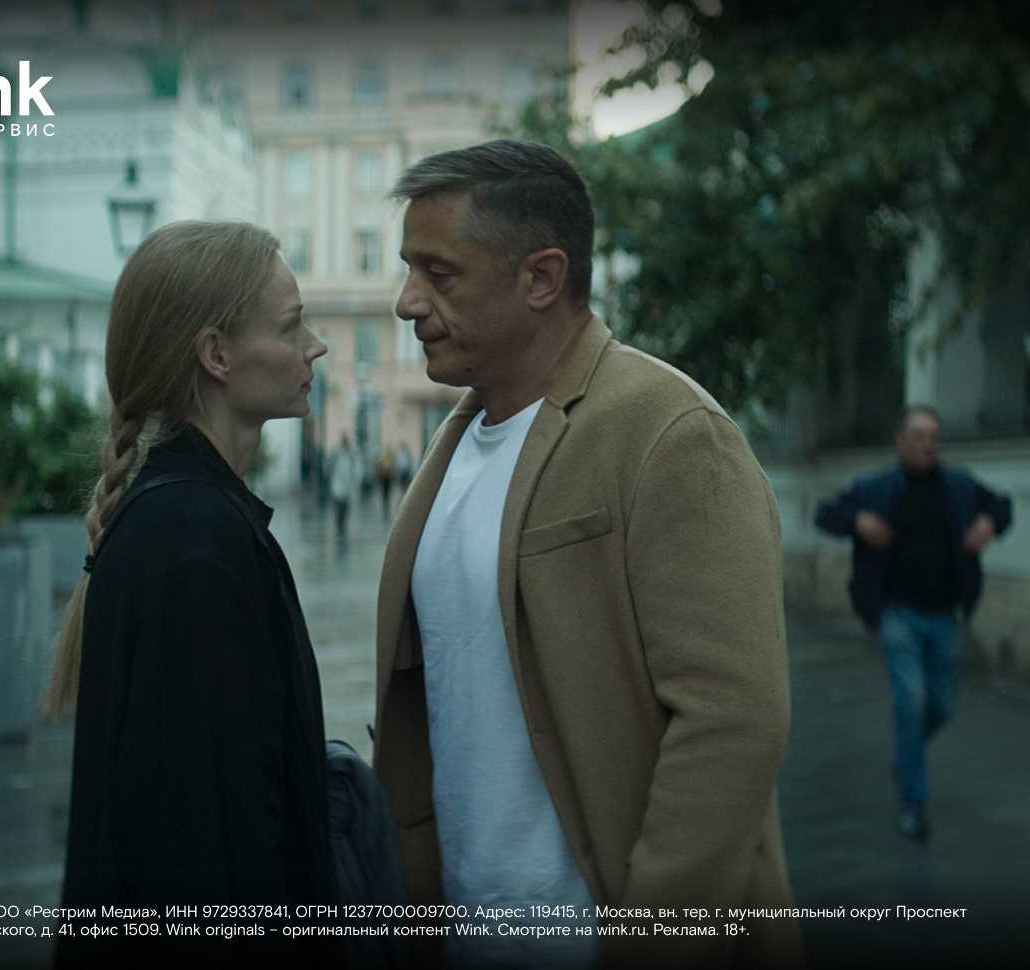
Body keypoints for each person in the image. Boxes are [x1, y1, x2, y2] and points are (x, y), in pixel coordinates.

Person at [372, 139, 801, 968]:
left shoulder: (671, 432)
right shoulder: (453, 444)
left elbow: (732, 720)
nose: (406, 302)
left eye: (439, 274)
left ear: (541, 278)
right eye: (408, 270)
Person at [45, 222, 334, 965]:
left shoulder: (186, 519)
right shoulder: (194, 543)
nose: (316, 347)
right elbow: (197, 854)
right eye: (291, 327)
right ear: (216, 354)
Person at [814, 405, 1013, 843]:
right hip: (897, 613)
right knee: (912, 700)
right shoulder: (876, 487)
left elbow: (1002, 506)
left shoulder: (958, 486)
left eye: (934, 436)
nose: (928, 444)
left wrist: (988, 523)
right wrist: (858, 520)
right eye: (919, 435)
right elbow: (825, 514)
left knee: (942, 705)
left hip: (945, 615)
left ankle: (907, 757)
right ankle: (913, 804)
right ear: (900, 441)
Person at [328, 434, 358, 541]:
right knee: (339, 510)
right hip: (338, 487)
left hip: (346, 488)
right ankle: (339, 530)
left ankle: (342, 529)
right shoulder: (337, 455)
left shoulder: (350, 456)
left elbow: (354, 472)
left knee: (344, 510)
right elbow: (332, 470)